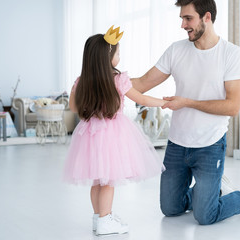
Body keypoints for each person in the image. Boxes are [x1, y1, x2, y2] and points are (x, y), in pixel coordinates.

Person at [131, 0, 240, 225]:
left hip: (210, 144)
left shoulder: (232, 54)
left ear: (207, 17)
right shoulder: (176, 50)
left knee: (206, 216)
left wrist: (187, 102)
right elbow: (141, 83)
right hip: (178, 144)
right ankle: (214, 191)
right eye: (182, 19)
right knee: (170, 208)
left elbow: (233, 106)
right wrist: (105, 80)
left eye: (188, 19)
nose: (183, 25)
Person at [63, 25, 166, 235]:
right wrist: (164, 103)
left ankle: (98, 217)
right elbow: (142, 98)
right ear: (107, 56)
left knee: (97, 180)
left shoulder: (81, 81)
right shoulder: (119, 79)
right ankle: (105, 220)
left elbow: (74, 108)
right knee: (108, 180)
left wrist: (78, 92)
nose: (119, 56)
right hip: (112, 134)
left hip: (89, 133)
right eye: (117, 52)